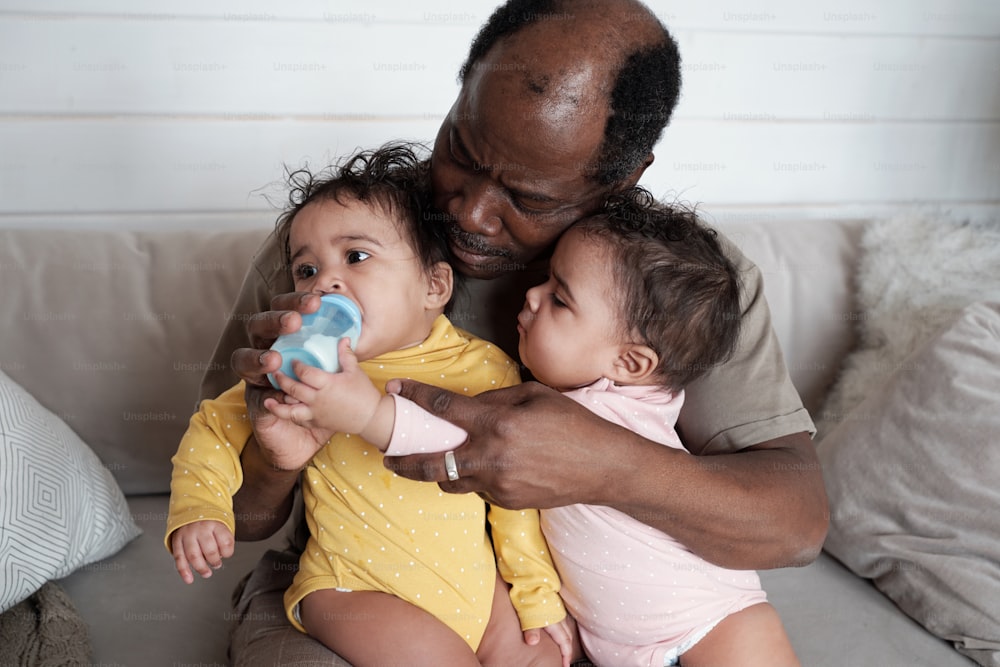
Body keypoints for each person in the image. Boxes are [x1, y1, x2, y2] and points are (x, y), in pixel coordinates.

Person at [204, 0, 828, 663]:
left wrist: (605, 462)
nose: (469, 212)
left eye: (527, 199)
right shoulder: (340, 242)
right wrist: (279, 447)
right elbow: (235, 515)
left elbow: (795, 524)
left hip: (569, 619)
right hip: (359, 587)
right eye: (460, 150)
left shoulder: (678, 283)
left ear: (623, 178)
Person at [166, 144, 573, 666]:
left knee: (543, 654)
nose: (326, 283)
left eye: (356, 257)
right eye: (306, 270)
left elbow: (511, 492)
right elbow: (214, 427)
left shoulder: (485, 368)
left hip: (472, 587)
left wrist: (535, 594)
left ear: (434, 285)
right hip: (354, 590)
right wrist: (200, 510)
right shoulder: (302, 369)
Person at [361, 191, 801, 666]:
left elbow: (457, 438)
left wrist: (361, 409)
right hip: (617, 649)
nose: (532, 295)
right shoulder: (592, 395)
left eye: (560, 299)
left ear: (629, 362)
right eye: (547, 280)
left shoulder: (607, 410)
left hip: (715, 624)